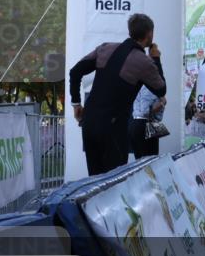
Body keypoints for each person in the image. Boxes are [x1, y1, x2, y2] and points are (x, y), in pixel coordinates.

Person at [69, 13, 167, 176]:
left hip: (89, 123)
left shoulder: (105, 48)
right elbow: (161, 89)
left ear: (130, 31)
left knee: (94, 179)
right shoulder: (145, 62)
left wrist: (76, 104)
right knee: (114, 184)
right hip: (113, 129)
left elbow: (75, 72)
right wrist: (156, 59)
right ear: (150, 34)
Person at [129, 87, 165, 158]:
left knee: (144, 160)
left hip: (142, 123)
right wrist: (162, 103)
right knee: (148, 161)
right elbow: (144, 111)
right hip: (144, 124)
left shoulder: (146, 87)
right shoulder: (149, 88)